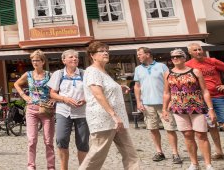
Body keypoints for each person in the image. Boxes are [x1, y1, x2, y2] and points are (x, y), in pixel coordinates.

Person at [78, 41, 140, 170]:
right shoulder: (92, 71)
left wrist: (118, 87)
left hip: (117, 120)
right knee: (96, 154)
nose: (105, 52)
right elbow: (98, 94)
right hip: (104, 119)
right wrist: (114, 115)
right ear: (92, 55)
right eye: (101, 51)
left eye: (107, 50)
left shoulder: (103, 72)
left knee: (130, 153)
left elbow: (106, 89)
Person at [162, 48, 215, 170]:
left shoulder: (195, 71)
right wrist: (164, 109)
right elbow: (166, 93)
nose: (175, 58)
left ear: (184, 58)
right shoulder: (168, 74)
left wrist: (211, 108)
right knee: (187, 135)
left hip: (197, 107)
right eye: (173, 57)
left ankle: (208, 164)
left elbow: (205, 91)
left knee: (201, 135)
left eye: (178, 56)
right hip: (178, 109)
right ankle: (194, 163)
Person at [134, 47, 181, 164]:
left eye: (140, 54)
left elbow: (170, 85)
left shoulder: (161, 66)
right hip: (147, 104)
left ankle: (175, 153)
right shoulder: (138, 69)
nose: (138, 56)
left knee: (170, 128)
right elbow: (137, 86)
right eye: (137, 54)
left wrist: (170, 101)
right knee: (152, 129)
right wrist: (139, 102)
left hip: (163, 103)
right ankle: (159, 152)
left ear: (148, 54)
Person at [49, 49, 89, 170]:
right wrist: (64, 99)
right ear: (64, 60)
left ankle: (82, 168)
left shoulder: (84, 73)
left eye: (76, 57)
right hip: (63, 111)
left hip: (82, 113)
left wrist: (85, 99)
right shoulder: (58, 74)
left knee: (83, 142)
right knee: (61, 139)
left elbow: (92, 91)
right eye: (71, 57)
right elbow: (52, 93)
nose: (74, 59)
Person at [16, 49, 55, 170]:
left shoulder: (49, 75)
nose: (34, 62)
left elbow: (57, 90)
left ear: (42, 61)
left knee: (48, 141)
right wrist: (24, 96)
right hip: (31, 110)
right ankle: (31, 166)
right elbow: (16, 84)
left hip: (46, 110)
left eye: (37, 60)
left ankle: (51, 166)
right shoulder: (28, 75)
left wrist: (54, 99)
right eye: (33, 60)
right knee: (32, 140)